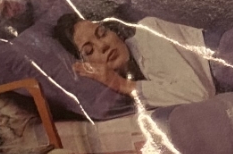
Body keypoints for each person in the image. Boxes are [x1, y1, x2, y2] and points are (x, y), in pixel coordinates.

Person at [52, 14, 217, 106]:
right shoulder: (136, 81)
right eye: (89, 50)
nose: (103, 45)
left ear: (115, 31)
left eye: (102, 33)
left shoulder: (148, 32)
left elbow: (199, 94)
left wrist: (122, 85)